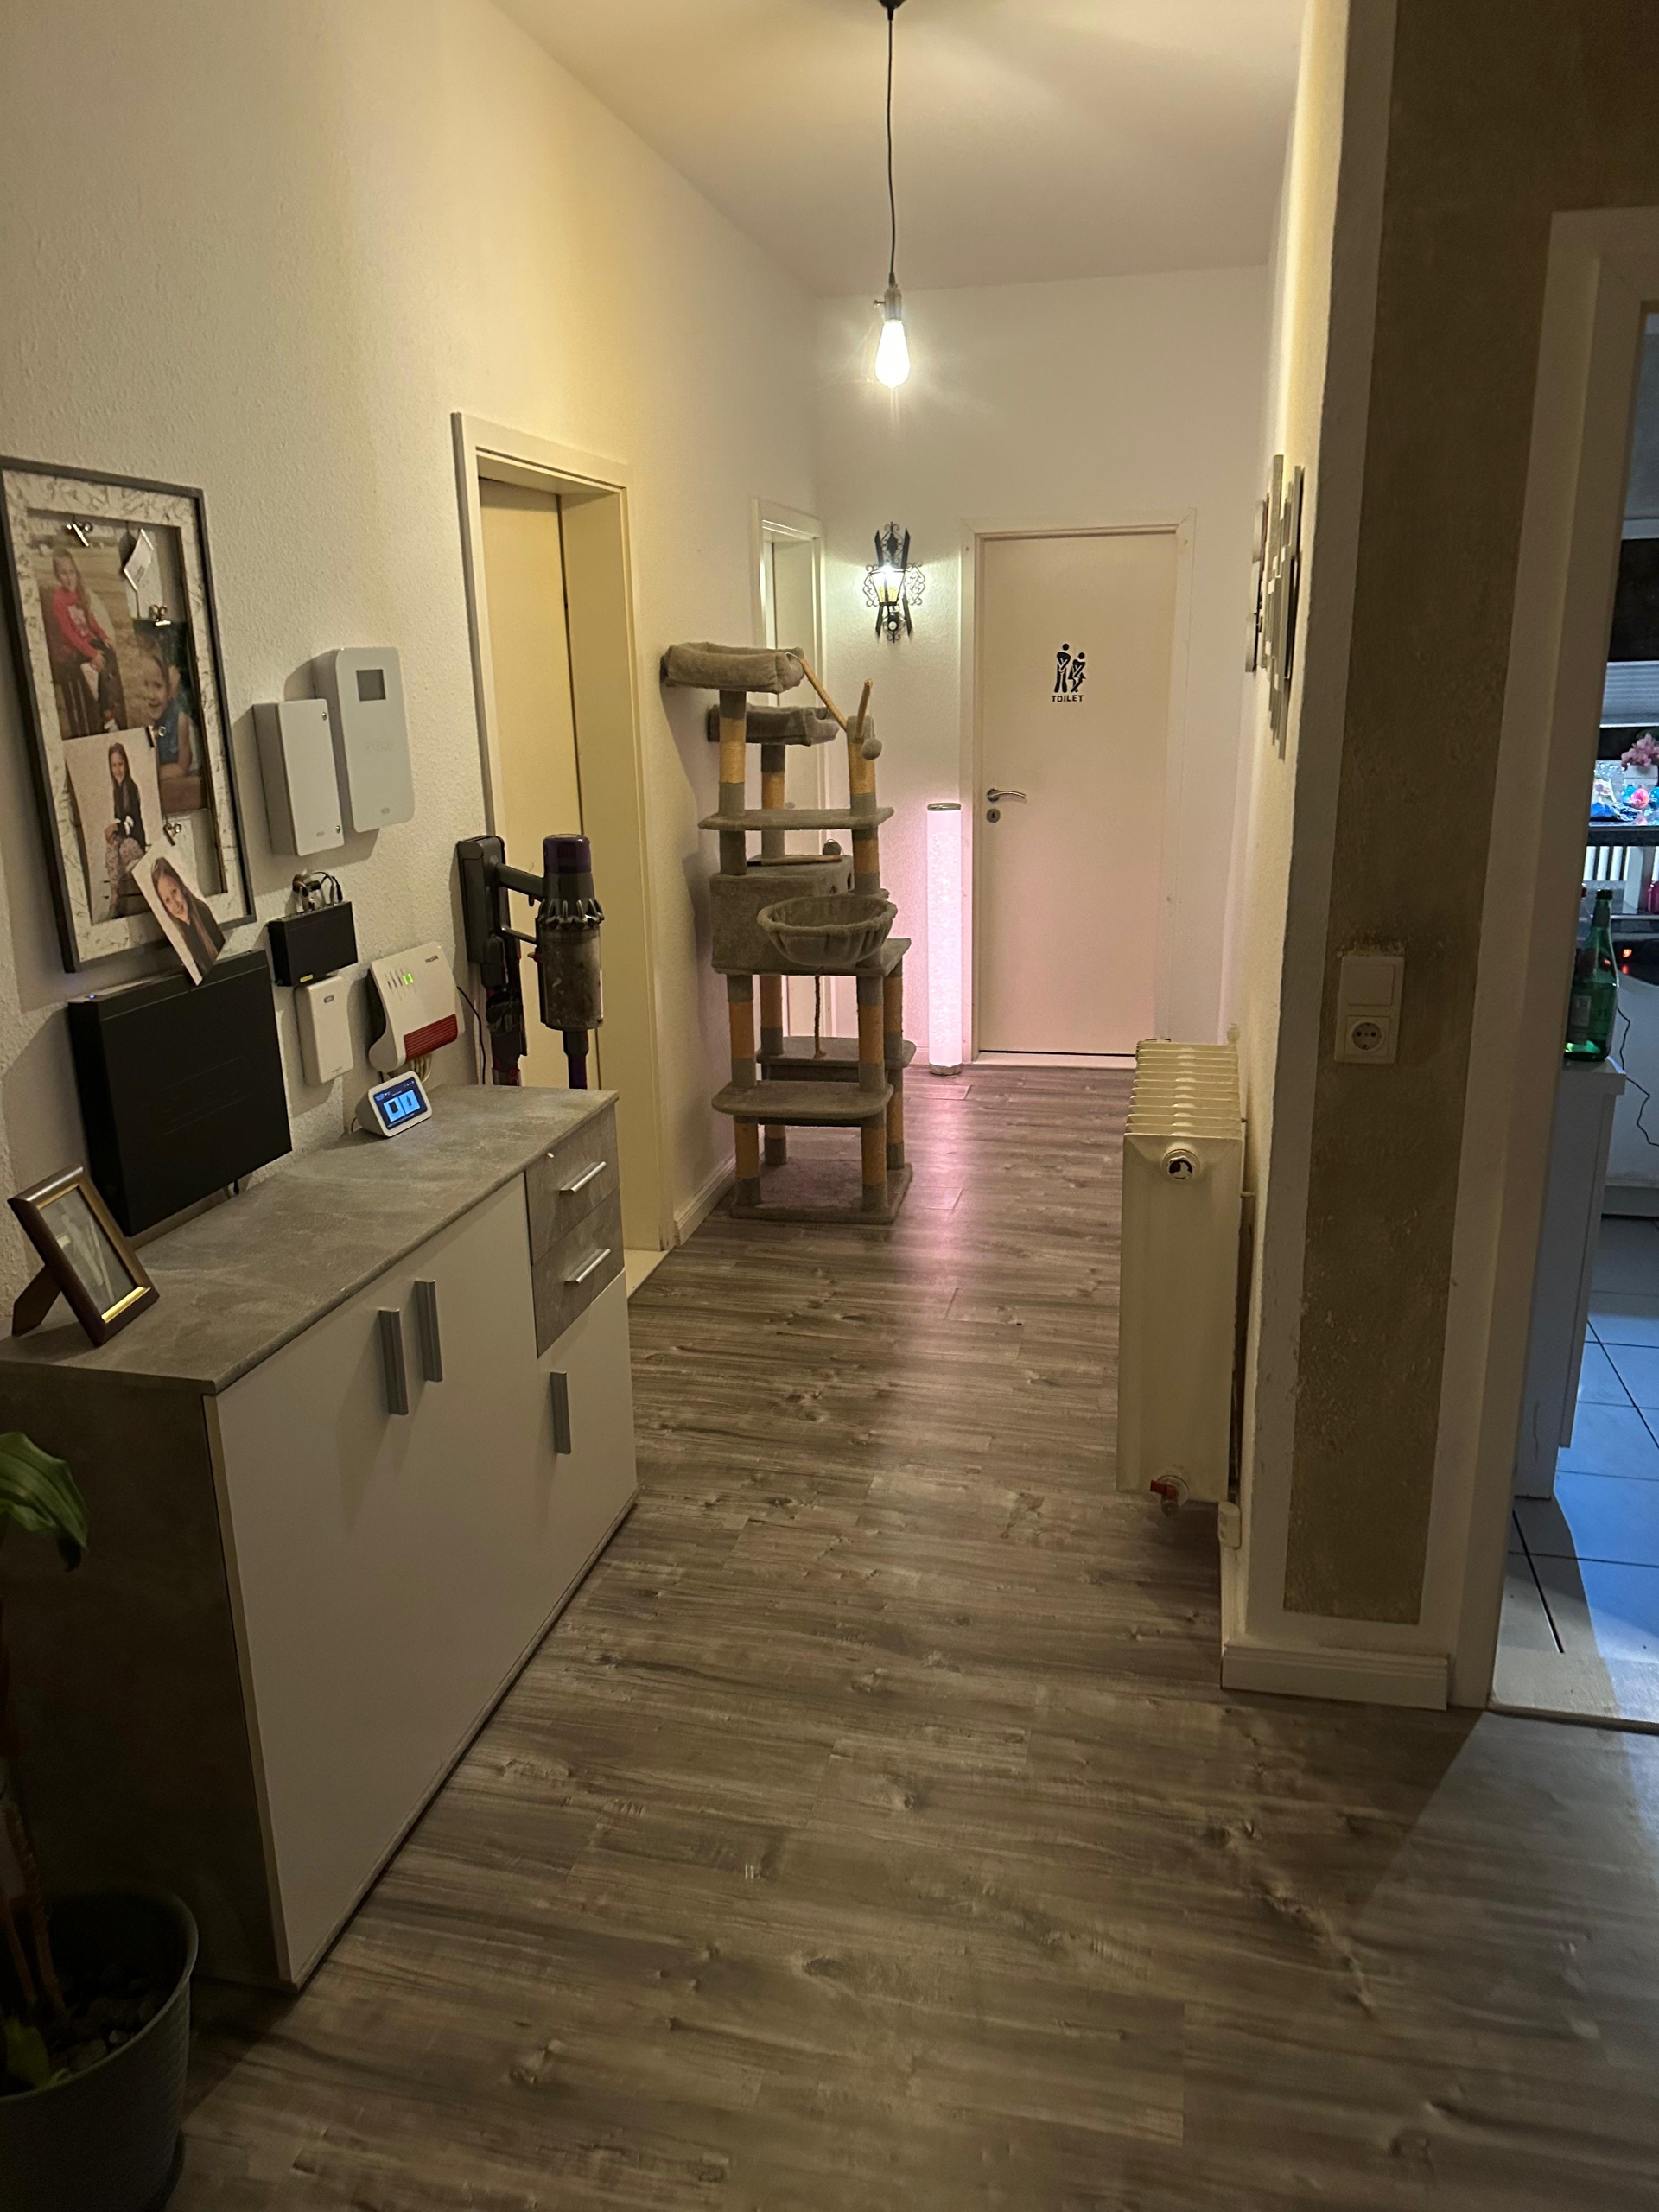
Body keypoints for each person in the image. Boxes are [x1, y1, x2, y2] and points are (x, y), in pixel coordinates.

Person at [44, 550, 127, 736]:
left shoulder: (79, 593)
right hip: (73, 650)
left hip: (88, 642)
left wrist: (103, 636)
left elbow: (91, 620)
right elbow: (69, 634)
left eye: (71, 572)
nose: (69, 578)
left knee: (110, 653)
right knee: (101, 662)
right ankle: (106, 713)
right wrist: (92, 653)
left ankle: (99, 687)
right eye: (64, 573)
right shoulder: (58, 600)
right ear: (57, 575)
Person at [131, 632, 199, 790]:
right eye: (144, 685)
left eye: (157, 685)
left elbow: (181, 767)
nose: (151, 695)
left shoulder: (179, 720)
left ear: (167, 687)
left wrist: (150, 775)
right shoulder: (135, 720)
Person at [148, 854, 223, 981]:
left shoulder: (203, 911)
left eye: (174, 892)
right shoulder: (172, 933)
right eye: (167, 900)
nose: (175, 904)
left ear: (182, 887)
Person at [102, 740, 147, 915]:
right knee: (111, 847)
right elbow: (118, 818)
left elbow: (130, 822)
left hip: (136, 841)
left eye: (120, 764)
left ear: (126, 764)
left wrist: (115, 828)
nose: (118, 769)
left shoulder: (130, 788)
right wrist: (113, 832)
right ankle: (116, 892)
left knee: (119, 853)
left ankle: (117, 895)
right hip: (125, 837)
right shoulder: (117, 790)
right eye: (114, 765)